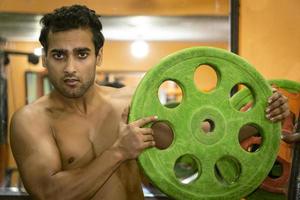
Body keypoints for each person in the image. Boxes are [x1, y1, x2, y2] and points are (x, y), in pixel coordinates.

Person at [9, 5, 290, 200]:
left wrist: (264, 118)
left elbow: (204, 137)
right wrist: (118, 152)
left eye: (81, 54)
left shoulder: (131, 102)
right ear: (45, 59)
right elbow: (50, 194)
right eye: (59, 55)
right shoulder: (31, 120)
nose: (71, 67)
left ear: (98, 57)